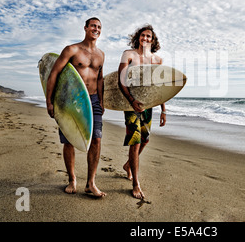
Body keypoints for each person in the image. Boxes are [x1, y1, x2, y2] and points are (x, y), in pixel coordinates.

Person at [45, 17, 106, 198]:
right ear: (86, 28)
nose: (96, 29)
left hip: (93, 100)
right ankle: (72, 179)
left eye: (99, 27)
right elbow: (54, 73)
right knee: (70, 140)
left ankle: (91, 183)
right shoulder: (72, 50)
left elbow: (100, 78)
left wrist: (102, 101)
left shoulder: (101, 54)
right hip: (71, 101)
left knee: (96, 139)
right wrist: (49, 101)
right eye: (93, 26)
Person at [118, 24, 166, 199]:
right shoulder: (128, 55)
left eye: (149, 37)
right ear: (138, 37)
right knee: (135, 141)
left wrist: (163, 110)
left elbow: (159, 88)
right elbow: (120, 81)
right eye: (143, 35)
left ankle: (128, 165)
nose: (145, 39)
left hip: (148, 104)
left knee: (145, 140)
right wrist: (131, 100)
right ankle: (135, 183)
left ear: (153, 41)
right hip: (131, 105)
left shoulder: (157, 60)